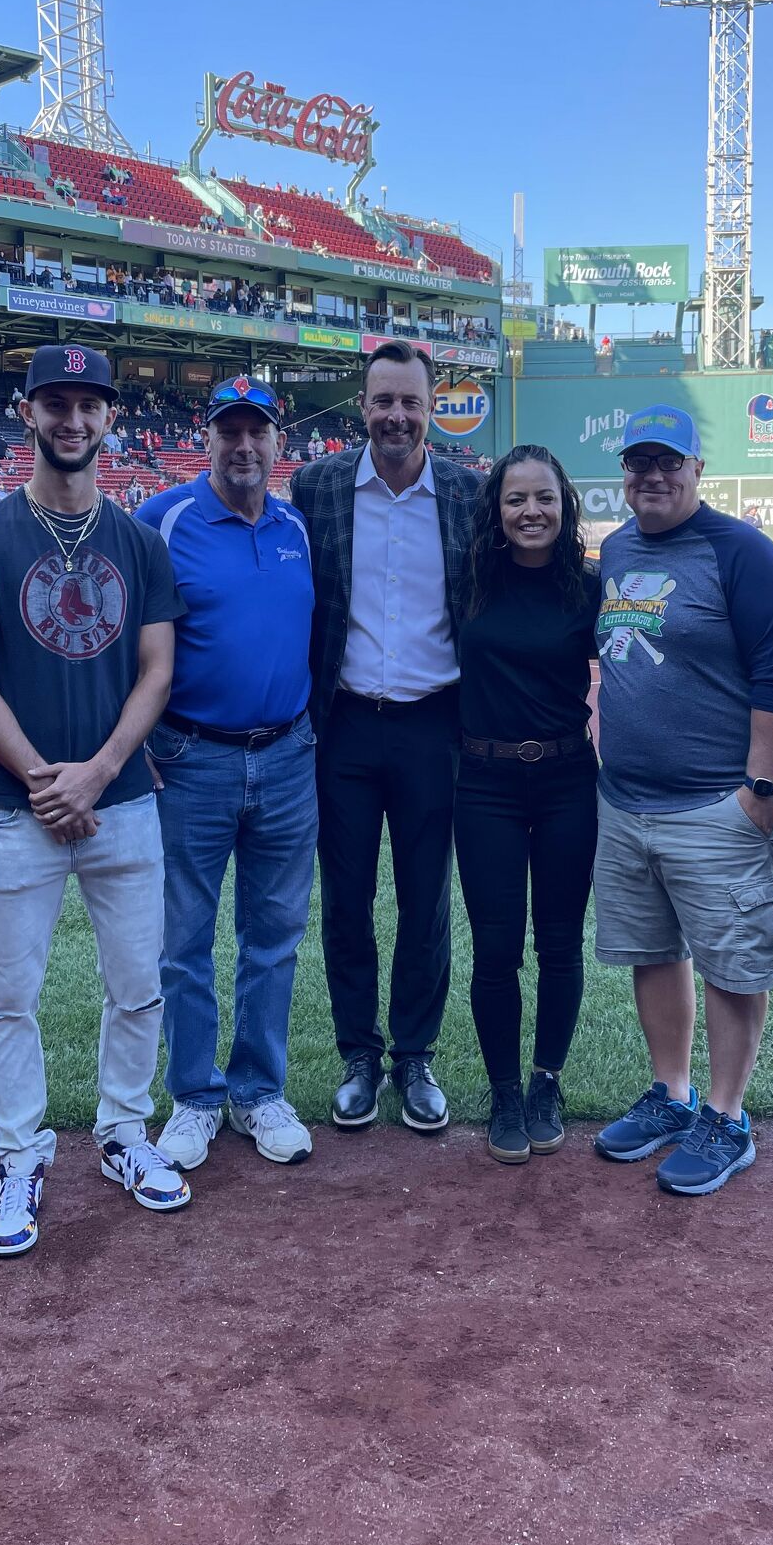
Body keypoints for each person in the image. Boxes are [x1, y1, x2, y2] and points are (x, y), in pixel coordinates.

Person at [0, 343, 188, 1258]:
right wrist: (49, 778)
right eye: (55, 403)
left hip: (122, 802)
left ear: (112, 417)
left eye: (89, 404)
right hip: (12, 806)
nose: (72, 419)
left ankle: (124, 1133)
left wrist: (99, 771)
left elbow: (156, 673)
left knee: (138, 985)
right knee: (10, 996)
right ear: (26, 412)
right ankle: (20, 1156)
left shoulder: (140, 543)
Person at [592, 405, 773, 1193]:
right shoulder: (614, 549)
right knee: (653, 952)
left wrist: (759, 788)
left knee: (732, 964)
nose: (652, 476)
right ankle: (672, 1094)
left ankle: (727, 1114)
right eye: (639, 463)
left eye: (667, 462)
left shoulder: (741, 552)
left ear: (697, 469)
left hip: (716, 800)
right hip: (626, 800)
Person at [291, 339, 481, 1134]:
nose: (396, 416)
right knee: (347, 899)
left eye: (411, 402)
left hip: (435, 724)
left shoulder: (472, 496)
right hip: (344, 727)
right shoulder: (317, 486)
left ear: (431, 409)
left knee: (427, 900)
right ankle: (358, 1055)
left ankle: (416, 1054)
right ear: (361, 407)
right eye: (383, 401)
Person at [137, 376, 317, 1171]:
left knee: (273, 936)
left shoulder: (296, 526)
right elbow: (120, 634)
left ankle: (257, 1090)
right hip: (191, 756)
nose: (245, 445)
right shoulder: (163, 520)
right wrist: (130, 734)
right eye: (229, 430)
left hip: (287, 754)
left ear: (280, 442)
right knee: (184, 939)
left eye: (259, 431)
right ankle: (194, 1096)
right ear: (205, 437)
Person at [454, 445, 599, 1164]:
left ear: (564, 504)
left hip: (570, 777)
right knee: (496, 948)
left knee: (560, 943)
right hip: (484, 782)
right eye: (516, 500)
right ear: (497, 510)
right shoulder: (469, 581)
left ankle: (548, 1081)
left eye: (544, 498)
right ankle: (505, 1089)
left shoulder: (590, 586)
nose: (531, 512)